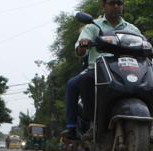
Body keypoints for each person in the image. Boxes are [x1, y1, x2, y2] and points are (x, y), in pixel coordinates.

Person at [61, 0, 142, 141]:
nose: (116, 6)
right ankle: (79, 126)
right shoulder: (93, 26)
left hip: (125, 69)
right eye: (112, 3)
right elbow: (80, 52)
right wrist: (83, 45)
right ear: (104, 6)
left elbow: (143, 45)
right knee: (74, 84)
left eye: (119, 3)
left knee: (149, 83)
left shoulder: (132, 29)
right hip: (98, 69)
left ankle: (148, 125)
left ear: (123, 6)